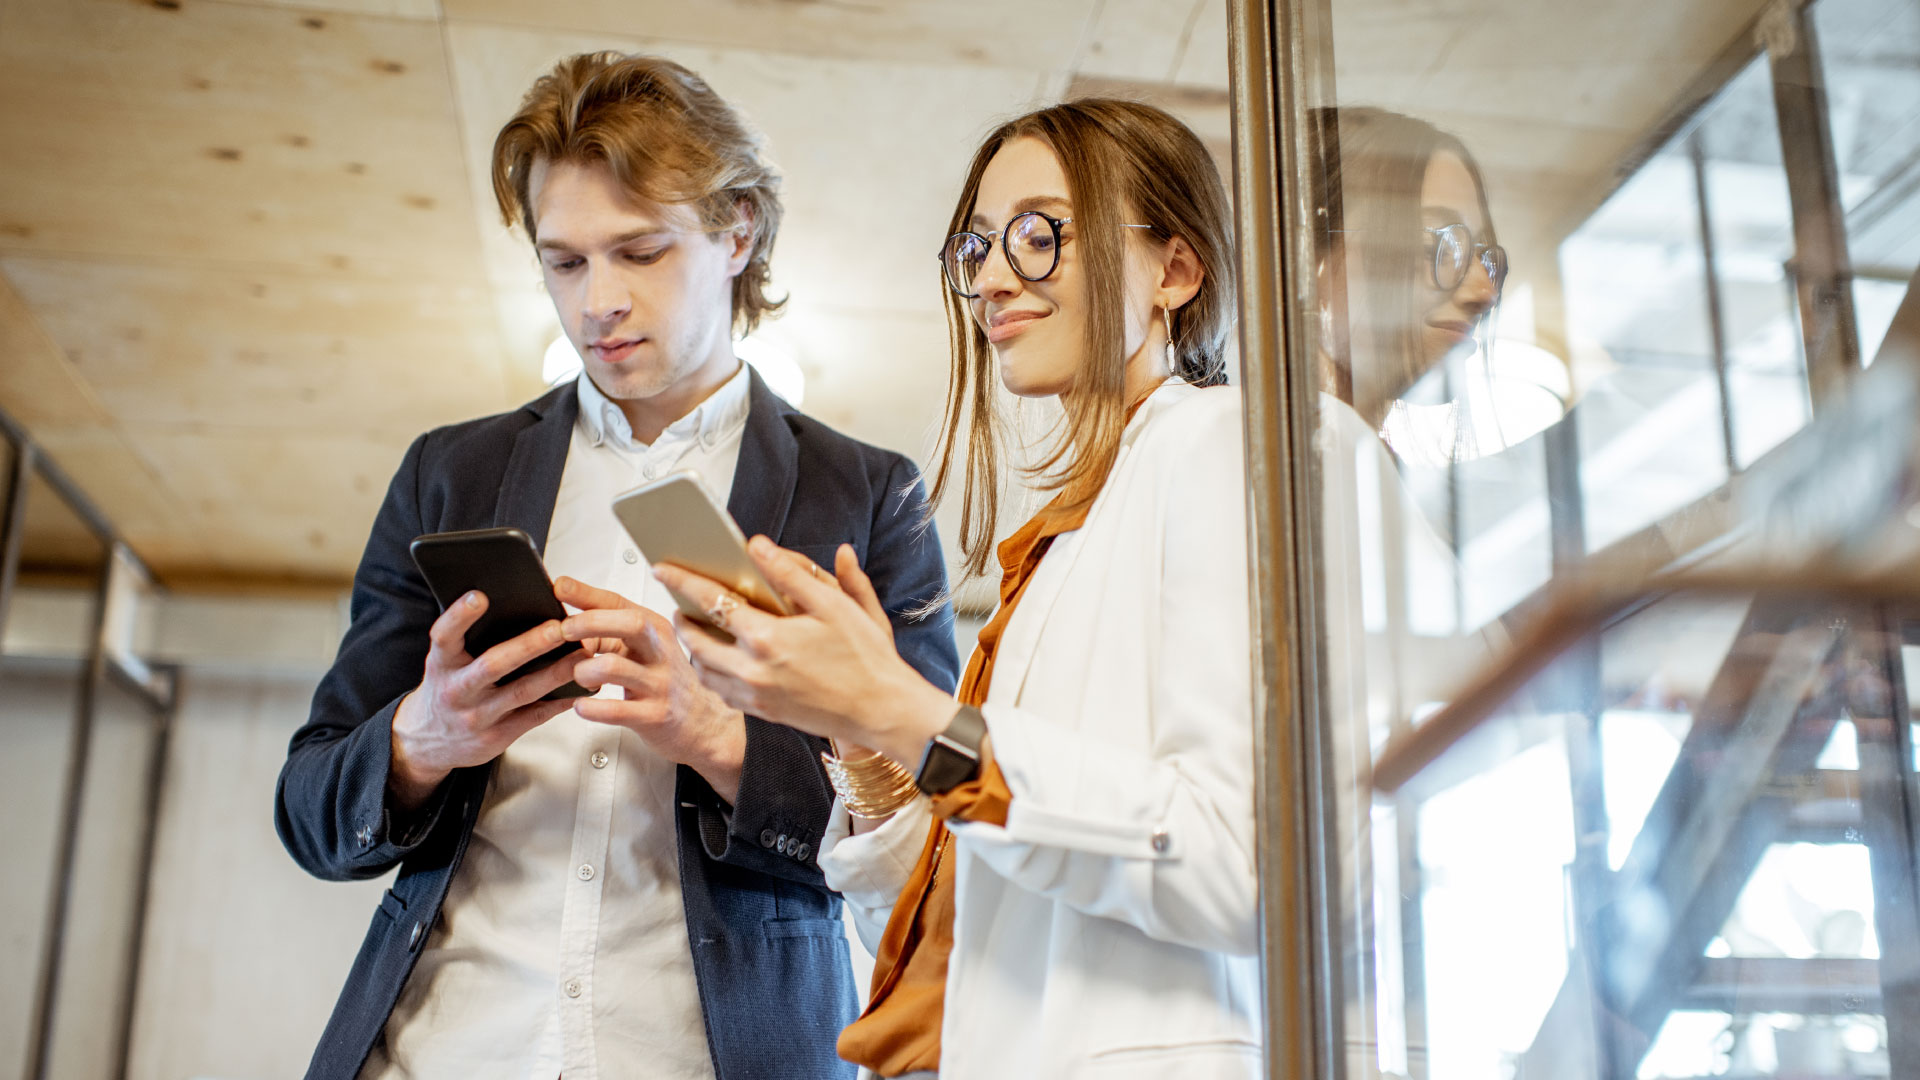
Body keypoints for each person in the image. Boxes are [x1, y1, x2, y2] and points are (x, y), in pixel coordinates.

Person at [274, 52, 958, 1080]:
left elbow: (933, 834)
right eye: (564, 262)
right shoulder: (452, 473)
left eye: (639, 252)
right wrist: (423, 739)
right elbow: (310, 812)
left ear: (738, 233)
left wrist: (716, 736)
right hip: (441, 1047)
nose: (597, 301)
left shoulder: (865, 496)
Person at [614, 99, 1260, 1078]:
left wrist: (905, 710)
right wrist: (868, 744)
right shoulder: (1057, 544)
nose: (995, 278)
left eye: (1041, 236)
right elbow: (975, 902)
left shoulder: (1221, 449)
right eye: (978, 246)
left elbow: (1236, 863)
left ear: (1174, 269)